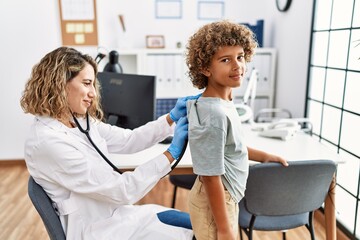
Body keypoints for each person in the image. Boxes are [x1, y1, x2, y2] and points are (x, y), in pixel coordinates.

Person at [20, 46, 199, 240]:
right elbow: (123, 190)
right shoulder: (47, 142)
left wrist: (170, 118)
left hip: (118, 216)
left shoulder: (79, 122)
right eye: (87, 83)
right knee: (196, 233)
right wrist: (171, 154)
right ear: (60, 84)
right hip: (97, 231)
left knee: (198, 226)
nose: (93, 93)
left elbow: (129, 140)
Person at [185, 20, 289, 240]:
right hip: (215, 203)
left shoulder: (224, 100)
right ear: (205, 68)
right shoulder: (214, 114)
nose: (237, 66)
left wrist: (264, 156)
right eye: (226, 60)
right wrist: (224, 229)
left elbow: (231, 147)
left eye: (240, 57)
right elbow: (211, 175)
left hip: (223, 198)